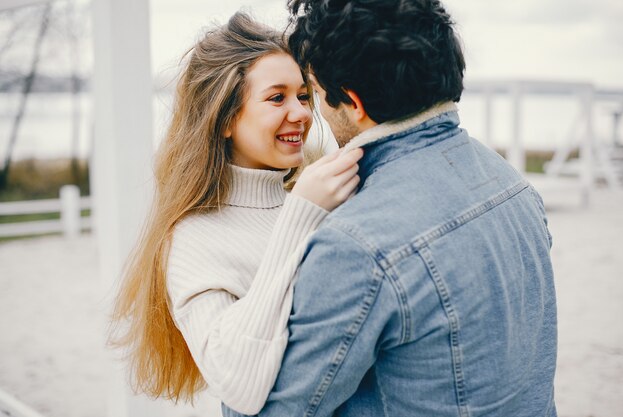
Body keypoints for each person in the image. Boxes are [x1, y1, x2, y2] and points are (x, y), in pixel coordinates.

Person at [223, 0, 558, 416]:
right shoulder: (512, 185)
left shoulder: (358, 245)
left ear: (354, 102)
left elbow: (272, 410)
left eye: (315, 92)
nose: (314, 112)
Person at [108, 12, 363, 416]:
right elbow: (238, 385)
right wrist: (300, 215)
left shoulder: (314, 198)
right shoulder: (193, 238)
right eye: (276, 97)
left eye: (302, 95)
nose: (300, 113)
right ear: (225, 118)